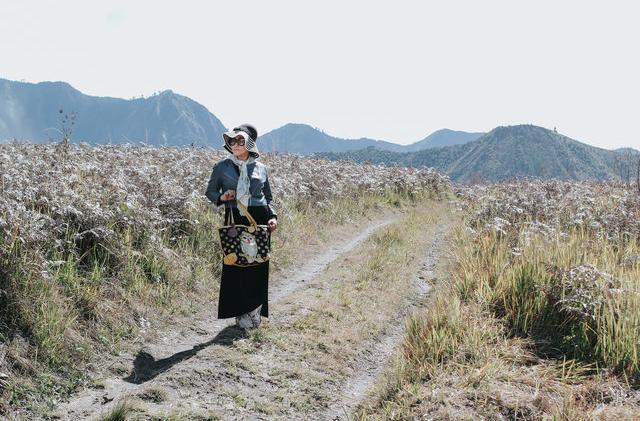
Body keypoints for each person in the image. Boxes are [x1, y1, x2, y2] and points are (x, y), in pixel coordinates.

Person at [205, 124, 278, 329]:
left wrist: (272, 216)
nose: (235, 144)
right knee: (235, 265)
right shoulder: (222, 167)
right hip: (235, 218)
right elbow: (210, 192)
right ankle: (240, 312)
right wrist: (222, 197)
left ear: (249, 143)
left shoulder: (261, 168)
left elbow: (268, 197)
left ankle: (255, 309)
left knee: (258, 264)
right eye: (232, 140)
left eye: (240, 140)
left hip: (260, 219)